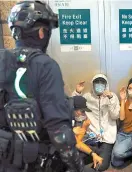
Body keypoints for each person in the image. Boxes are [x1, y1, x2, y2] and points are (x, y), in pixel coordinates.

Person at [0, 1, 94, 172]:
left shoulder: (2, 59)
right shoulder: (45, 65)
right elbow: (59, 132)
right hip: (37, 162)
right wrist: (77, 166)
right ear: (42, 33)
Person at [72, 74, 120, 171]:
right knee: (76, 156)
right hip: (92, 136)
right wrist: (77, 92)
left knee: (102, 165)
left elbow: (115, 115)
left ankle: (95, 165)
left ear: (106, 85)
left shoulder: (112, 96)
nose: (99, 85)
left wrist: (110, 98)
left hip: (107, 137)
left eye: (102, 83)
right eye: (96, 83)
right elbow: (73, 104)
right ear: (92, 85)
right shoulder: (87, 96)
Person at [71, 96, 103, 169]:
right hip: (66, 151)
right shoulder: (67, 119)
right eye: (82, 111)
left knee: (97, 150)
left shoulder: (74, 116)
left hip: (74, 144)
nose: (83, 114)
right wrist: (84, 128)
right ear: (74, 109)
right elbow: (78, 143)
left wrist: (93, 154)